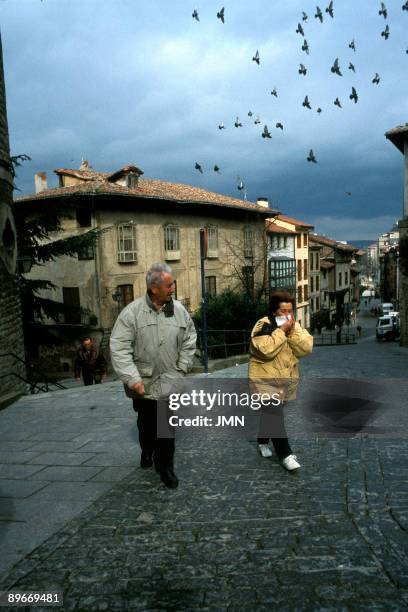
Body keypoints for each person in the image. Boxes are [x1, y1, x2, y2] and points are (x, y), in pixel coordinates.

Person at [109, 263, 197, 489]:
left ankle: (166, 468)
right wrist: (132, 378)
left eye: (173, 283)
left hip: (170, 381)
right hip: (143, 383)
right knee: (146, 424)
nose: (173, 288)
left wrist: (182, 367)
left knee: (167, 425)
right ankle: (146, 450)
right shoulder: (131, 313)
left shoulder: (179, 310)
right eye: (169, 285)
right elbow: (119, 347)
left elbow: (190, 339)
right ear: (153, 288)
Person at [248, 291, 313, 471]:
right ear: (274, 311)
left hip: (285, 380)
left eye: (290, 311)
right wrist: (281, 332)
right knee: (274, 415)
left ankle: (262, 441)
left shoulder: (294, 326)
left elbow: (306, 348)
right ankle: (286, 455)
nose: (287, 315)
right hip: (264, 378)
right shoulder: (263, 324)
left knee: (270, 414)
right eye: (283, 311)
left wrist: (291, 333)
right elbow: (264, 350)